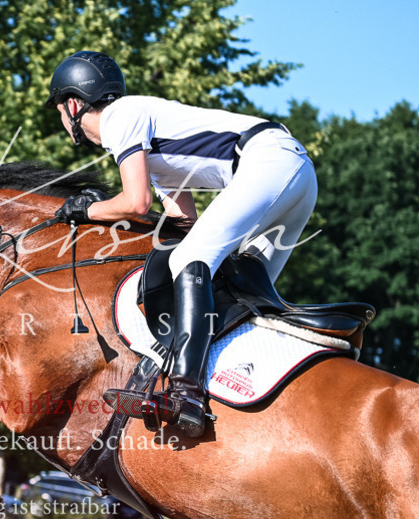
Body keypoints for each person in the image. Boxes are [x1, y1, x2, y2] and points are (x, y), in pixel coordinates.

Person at [45, 51, 316, 436]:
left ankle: (185, 393)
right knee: (236, 287)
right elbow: (184, 223)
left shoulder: (120, 116)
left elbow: (135, 202)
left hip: (270, 162)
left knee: (190, 260)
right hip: (294, 173)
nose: (61, 119)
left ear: (73, 105)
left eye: (58, 109)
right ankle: (243, 387)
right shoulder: (152, 145)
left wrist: (87, 210)